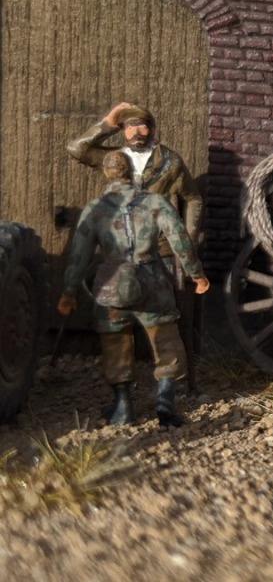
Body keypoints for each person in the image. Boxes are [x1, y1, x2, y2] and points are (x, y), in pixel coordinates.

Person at [58, 151, 210, 427]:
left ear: (107, 174)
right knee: (166, 341)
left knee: (116, 342)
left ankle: (123, 405)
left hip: (111, 285)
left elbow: (78, 257)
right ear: (131, 172)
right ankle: (165, 401)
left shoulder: (95, 209)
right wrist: (196, 274)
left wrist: (69, 293)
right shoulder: (155, 202)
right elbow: (180, 239)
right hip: (153, 281)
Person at [67, 101, 204, 390]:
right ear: (122, 130)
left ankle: (174, 386)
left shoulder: (171, 162)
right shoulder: (115, 158)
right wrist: (106, 122)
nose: (137, 132)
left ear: (153, 129)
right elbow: (77, 149)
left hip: (164, 249)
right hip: (120, 252)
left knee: (170, 317)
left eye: (143, 126)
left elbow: (192, 198)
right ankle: (125, 387)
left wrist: (187, 238)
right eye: (130, 126)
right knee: (113, 314)